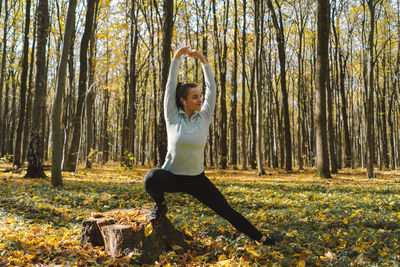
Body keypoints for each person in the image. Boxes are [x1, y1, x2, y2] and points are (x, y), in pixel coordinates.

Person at [143, 45, 280, 245]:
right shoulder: (172, 116)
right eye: (195, 97)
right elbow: (170, 85)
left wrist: (202, 60)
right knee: (151, 178)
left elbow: (213, 89)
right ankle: (160, 205)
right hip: (172, 177)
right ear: (183, 100)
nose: (200, 99)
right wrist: (176, 57)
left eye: (200, 96)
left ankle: (262, 238)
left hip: (197, 180)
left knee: (226, 210)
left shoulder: (204, 117)